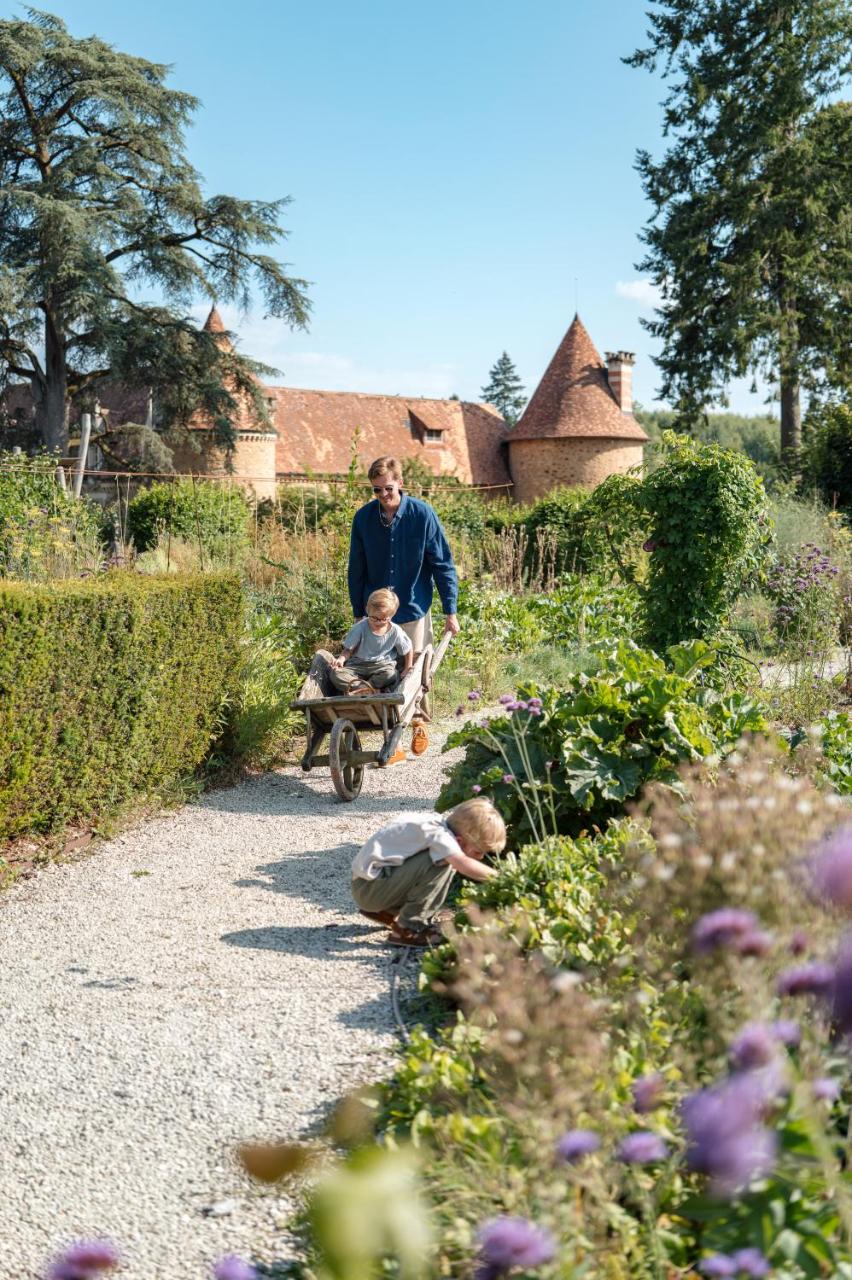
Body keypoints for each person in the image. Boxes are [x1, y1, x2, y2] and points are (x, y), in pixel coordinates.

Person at [348, 456, 460, 761]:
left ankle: (418, 722)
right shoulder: (364, 519)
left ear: (400, 483)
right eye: (377, 490)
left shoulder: (422, 515)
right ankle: (392, 740)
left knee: (416, 670)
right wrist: (358, 611)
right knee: (383, 671)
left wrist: (450, 611)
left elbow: (442, 564)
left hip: (413, 605)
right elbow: (356, 568)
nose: (383, 495)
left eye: (388, 488)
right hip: (377, 613)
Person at [351, 797, 506, 947]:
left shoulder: (434, 824)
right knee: (440, 862)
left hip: (368, 885)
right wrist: (500, 877)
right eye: (478, 852)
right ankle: (407, 929)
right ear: (459, 841)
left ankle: (388, 911)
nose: (481, 857)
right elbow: (463, 864)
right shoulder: (442, 837)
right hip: (369, 889)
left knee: (442, 860)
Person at [328, 588, 413, 695]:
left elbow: (408, 648)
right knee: (335, 674)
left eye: (384, 619)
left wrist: (407, 667)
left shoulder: (395, 631)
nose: (378, 622)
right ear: (367, 610)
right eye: (374, 618)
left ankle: (363, 689)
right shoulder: (360, 627)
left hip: (382, 666)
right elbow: (348, 650)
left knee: (391, 674)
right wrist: (341, 659)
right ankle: (367, 689)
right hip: (358, 665)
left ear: (392, 615)